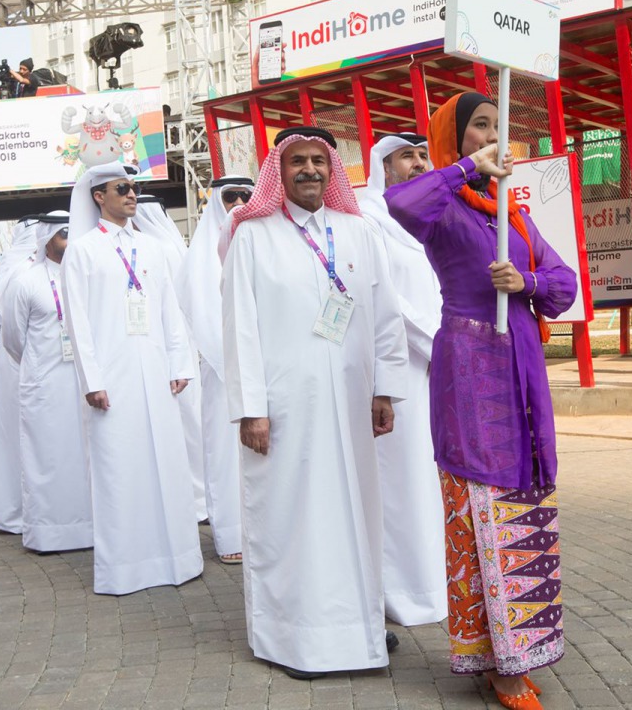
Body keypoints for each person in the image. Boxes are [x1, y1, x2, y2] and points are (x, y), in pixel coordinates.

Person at [385, 92, 578, 710]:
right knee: (482, 505)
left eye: (499, 126)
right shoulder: (445, 206)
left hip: (521, 365)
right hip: (471, 368)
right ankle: (498, 662)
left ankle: (517, 647)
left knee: (524, 501)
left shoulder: (512, 214)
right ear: (455, 139)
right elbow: (402, 202)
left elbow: (565, 282)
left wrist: (527, 282)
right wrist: (469, 168)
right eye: (480, 127)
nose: (494, 135)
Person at [222, 126, 408, 679]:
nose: (310, 170)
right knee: (292, 515)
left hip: (351, 403)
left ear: (333, 171)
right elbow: (240, 329)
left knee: (356, 513)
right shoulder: (253, 236)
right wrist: (250, 407)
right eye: (297, 161)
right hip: (284, 408)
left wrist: (385, 388)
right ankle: (293, 639)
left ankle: (359, 628)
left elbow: (385, 313)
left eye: (319, 161)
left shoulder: (359, 231)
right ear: (279, 172)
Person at [62, 162, 202, 595]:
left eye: (133, 187)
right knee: (119, 468)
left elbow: (170, 311)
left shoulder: (152, 247)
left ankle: (178, 559)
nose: (130, 194)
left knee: (167, 463)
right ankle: (125, 568)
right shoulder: (83, 251)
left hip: (158, 371)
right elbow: (77, 322)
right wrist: (92, 380)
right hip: (113, 377)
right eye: (121, 187)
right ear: (98, 197)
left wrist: (180, 364)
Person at [359, 132, 448, 627]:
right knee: (404, 478)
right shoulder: (370, 219)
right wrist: (441, 344)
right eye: (405, 157)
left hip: (442, 364)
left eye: (421, 155)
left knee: (434, 477)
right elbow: (387, 299)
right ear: (383, 167)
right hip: (401, 367)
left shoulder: (433, 214)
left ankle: (440, 581)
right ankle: (404, 592)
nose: (417, 164)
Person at [3, 212, 94, 553]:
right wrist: (40, 366)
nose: (69, 241)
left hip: (81, 383)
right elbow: (14, 340)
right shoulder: (26, 281)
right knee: (47, 456)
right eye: (63, 234)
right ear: (46, 239)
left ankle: (89, 529)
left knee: (82, 455)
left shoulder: (85, 275)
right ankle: (48, 534)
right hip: (43, 384)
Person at [176, 176, 254, 565]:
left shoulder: (260, 240)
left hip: (260, 367)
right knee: (225, 455)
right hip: (221, 369)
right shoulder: (201, 253)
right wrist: (229, 362)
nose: (239, 201)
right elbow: (200, 313)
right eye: (231, 196)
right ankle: (229, 536)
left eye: (246, 195)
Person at [134, 193, 207, 523]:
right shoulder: (173, 244)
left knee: (179, 427)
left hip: (168, 348)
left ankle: (193, 502)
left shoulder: (154, 248)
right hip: (181, 348)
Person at [0, 217, 41, 535]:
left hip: (25, 361)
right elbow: (13, 332)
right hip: (18, 362)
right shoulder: (20, 273)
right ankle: (15, 511)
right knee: (19, 436)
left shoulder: (19, 270)